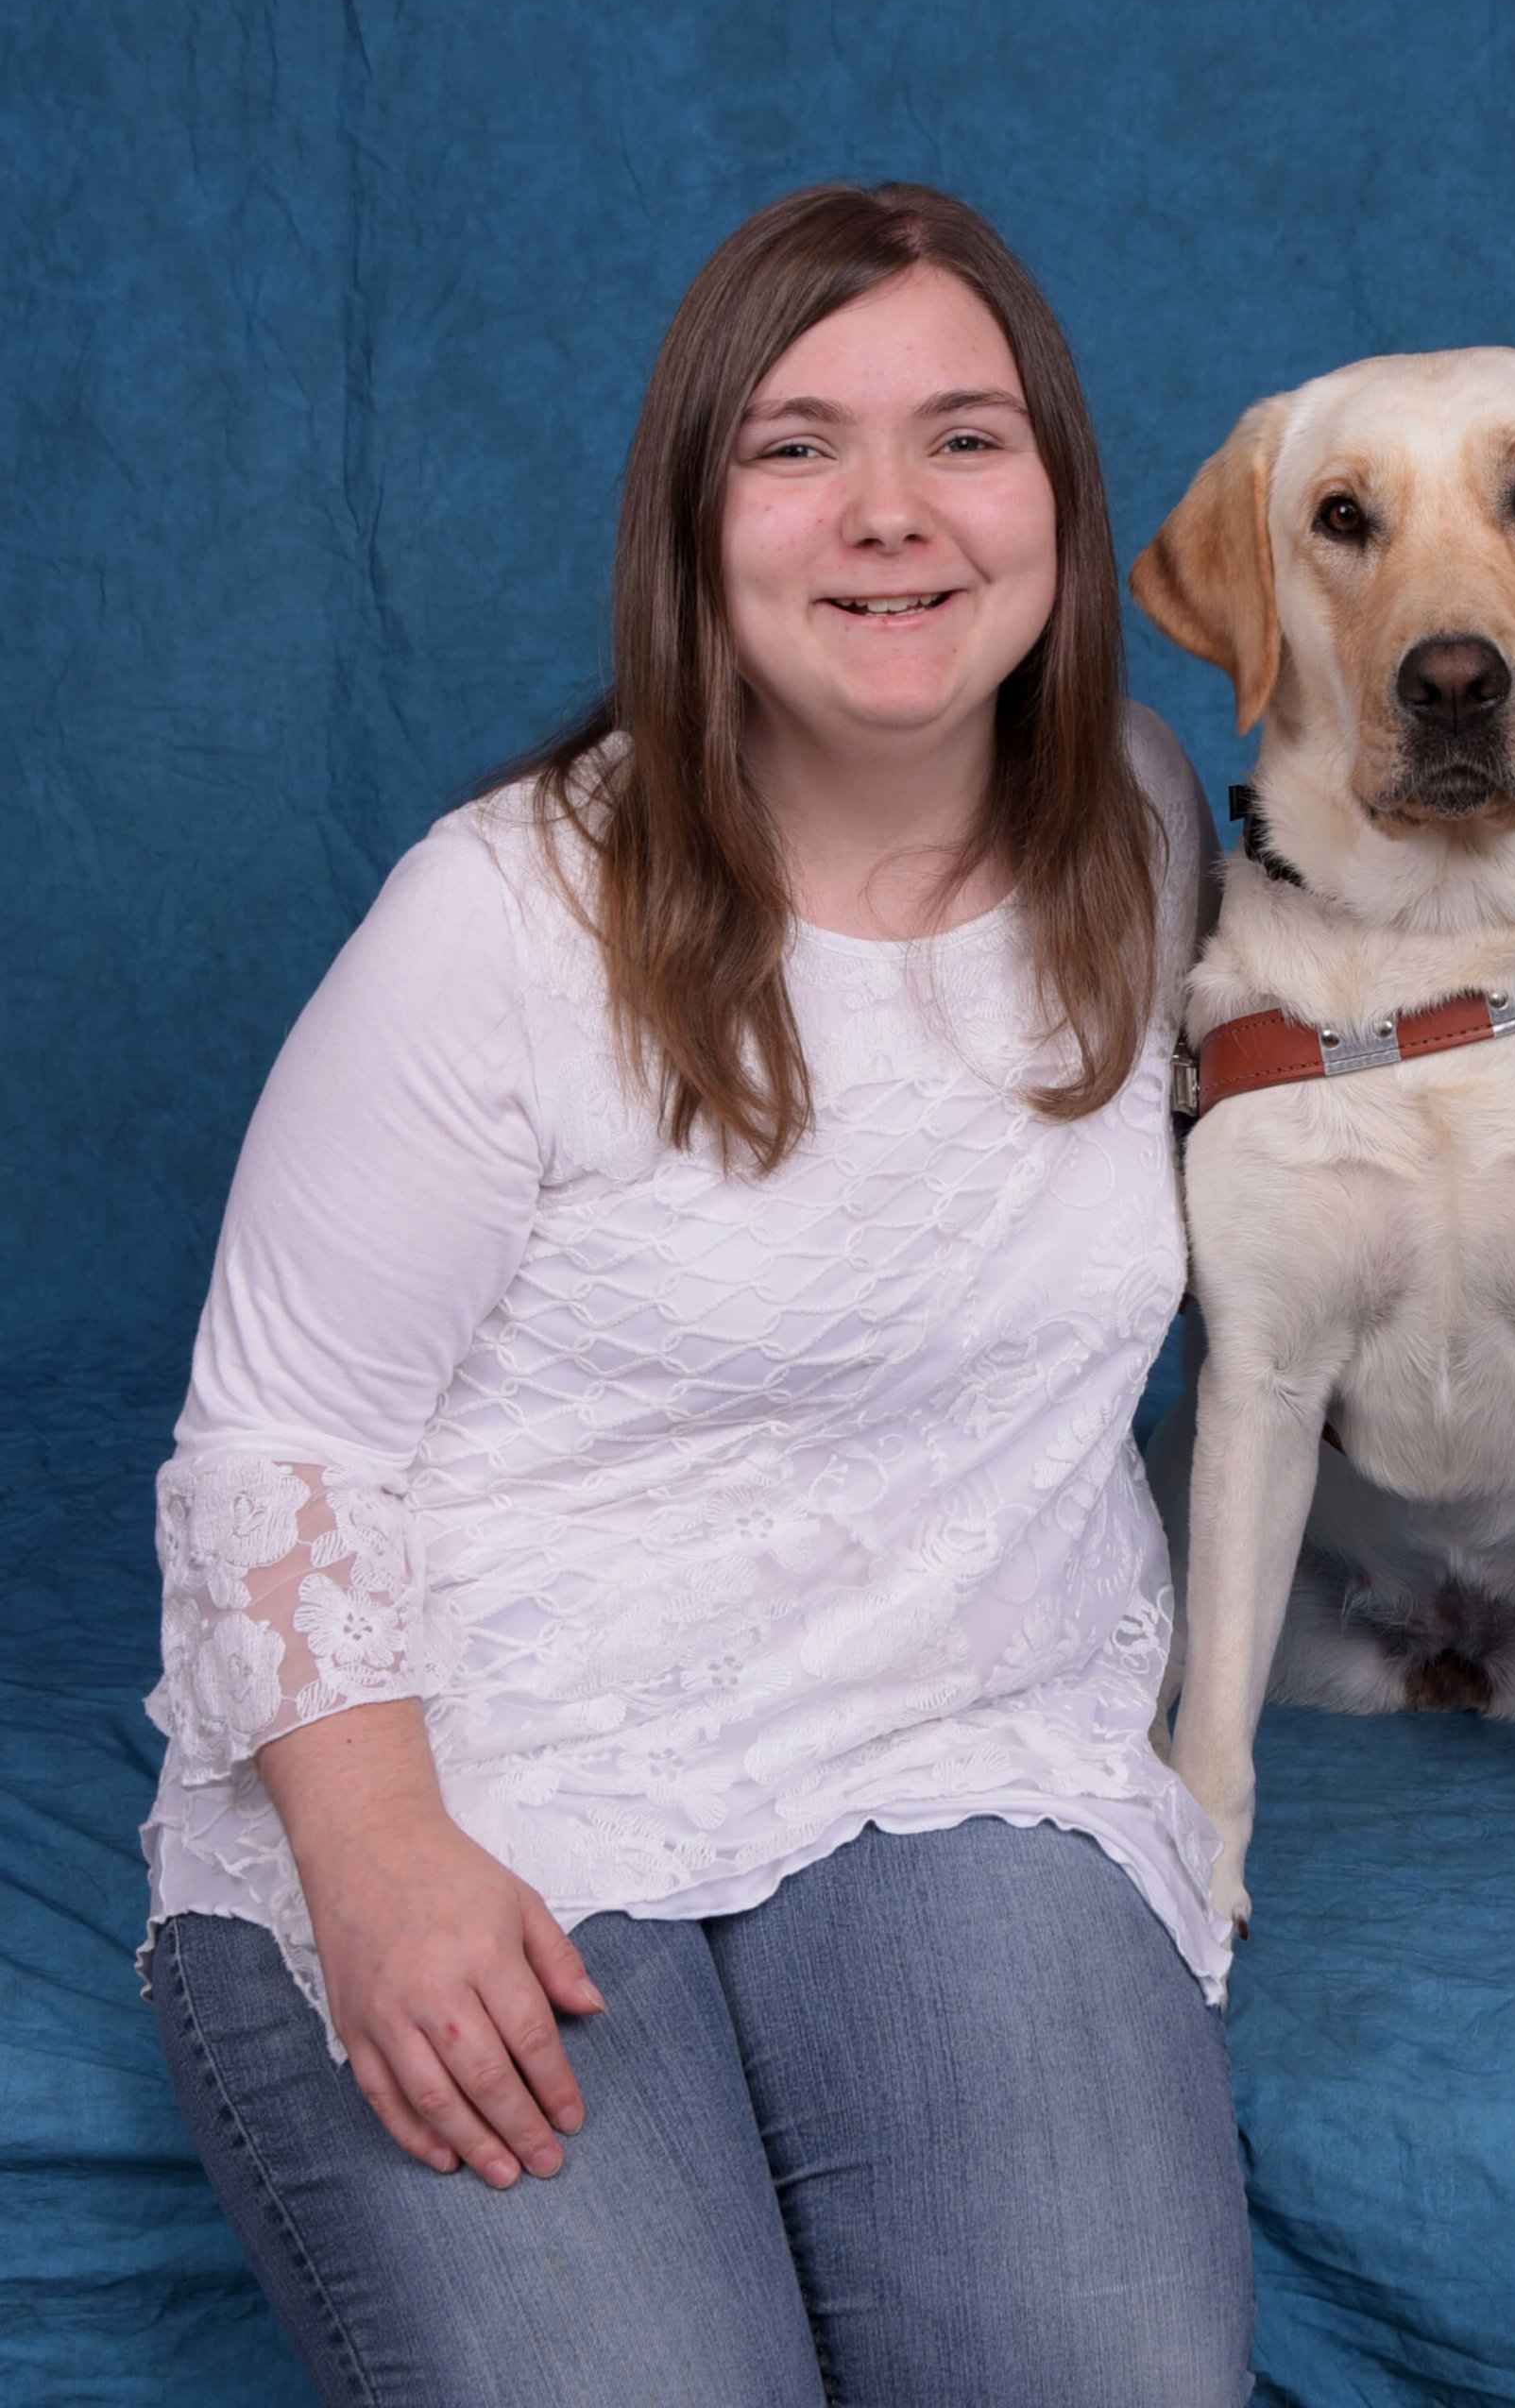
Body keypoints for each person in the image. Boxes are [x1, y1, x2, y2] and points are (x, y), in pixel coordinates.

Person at [143, 179, 1252, 2405]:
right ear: (693, 518)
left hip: (952, 1726)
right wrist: (373, 1859)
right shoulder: (499, 921)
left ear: (1057, 494)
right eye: (793, 444)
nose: (887, 515)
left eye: (963, 436)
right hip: (481, 1761)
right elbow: (280, 1438)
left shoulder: (1140, 827)